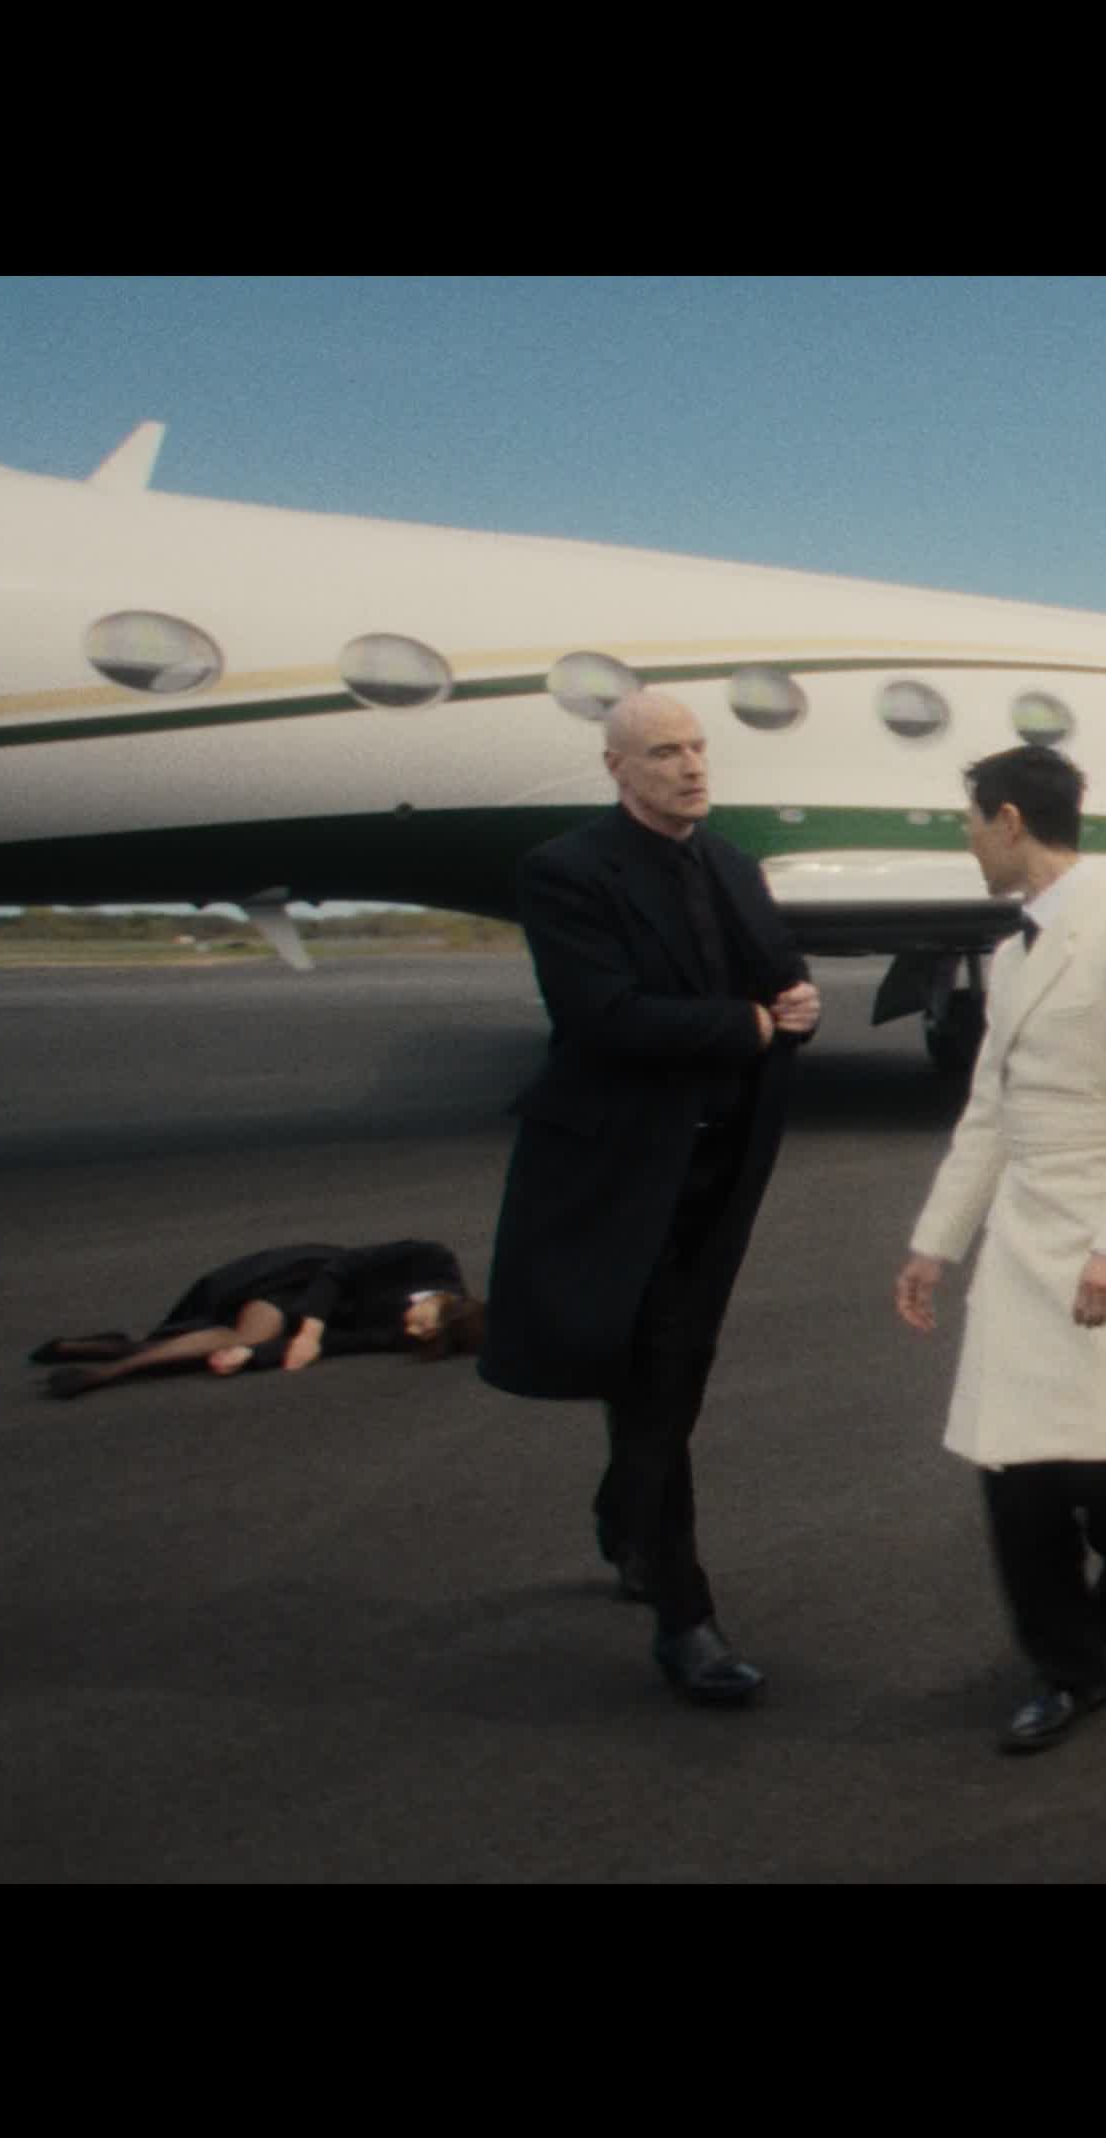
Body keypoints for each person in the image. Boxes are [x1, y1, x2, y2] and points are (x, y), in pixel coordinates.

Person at [477, 688, 819, 1708]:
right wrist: (747, 1026)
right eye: (665, 752)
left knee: (676, 1371)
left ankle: (626, 1517)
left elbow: (777, 979)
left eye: (698, 747)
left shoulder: (733, 865)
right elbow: (602, 1015)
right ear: (617, 769)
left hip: (720, 1171)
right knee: (656, 1378)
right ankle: (685, 1618)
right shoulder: (567, 871)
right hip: (620, 1173)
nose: (691, 766)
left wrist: (797, 1006)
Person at [896, 744, 1106, 1755]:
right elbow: (989, 1113)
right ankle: (1070, 1670)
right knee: (1016, 1467)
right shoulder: (1014, 955)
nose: (968, 842)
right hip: (1024, 1236)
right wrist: (935, 1244)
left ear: (1011, 821)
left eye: (971, 822)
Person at [34, 1240, 483, 1399]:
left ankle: (111, 1355)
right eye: (422, 1323)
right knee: (241, 1334)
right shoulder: (433, 1259)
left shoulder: (403, 1336)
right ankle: (107, 1369)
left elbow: (339, 1345)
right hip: (302, 1276)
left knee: (237, 1342)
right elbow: (342, 1268)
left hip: (295, 1317)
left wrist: (252, 1357)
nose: (409, 1329)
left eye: (419, 1336)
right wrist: (311, 1331)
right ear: (447, 1304)